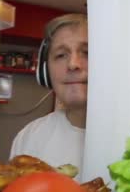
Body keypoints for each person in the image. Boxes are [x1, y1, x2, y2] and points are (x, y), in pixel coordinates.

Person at [9, 13, 88, 181]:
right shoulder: (29, 137)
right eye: (61, 55)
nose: (73, 64)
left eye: (87, 52)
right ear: (45, 72)